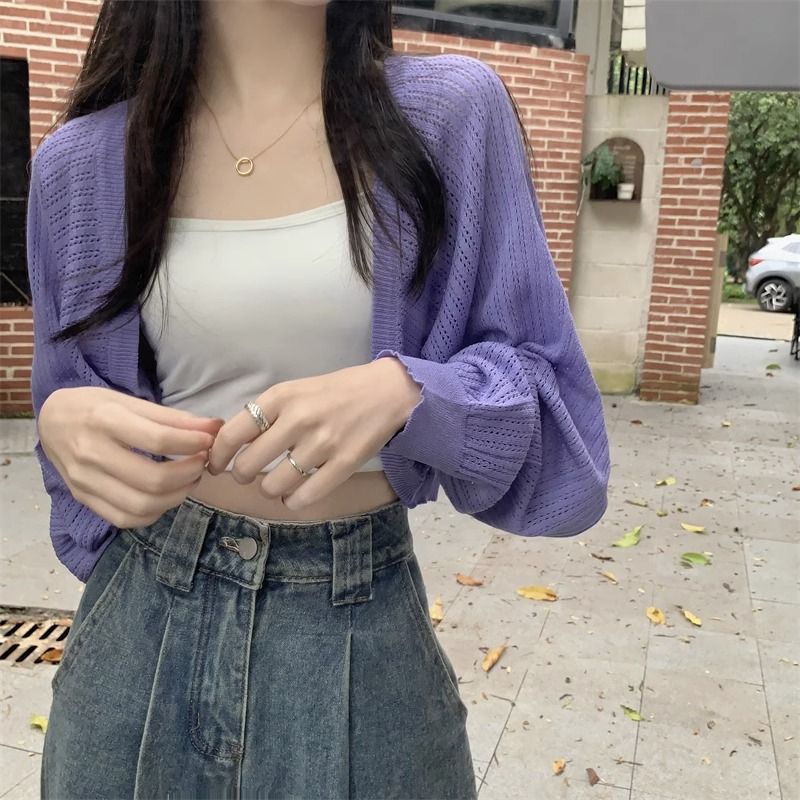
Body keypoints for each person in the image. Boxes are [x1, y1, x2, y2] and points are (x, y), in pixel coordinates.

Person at [28, 1, 610, 797]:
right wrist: (61, 421)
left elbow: (559, 434)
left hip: (360, 634)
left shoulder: (448, 114)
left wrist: (411, 392)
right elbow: (74, 419)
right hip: (139, 633)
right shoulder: (79, 164)